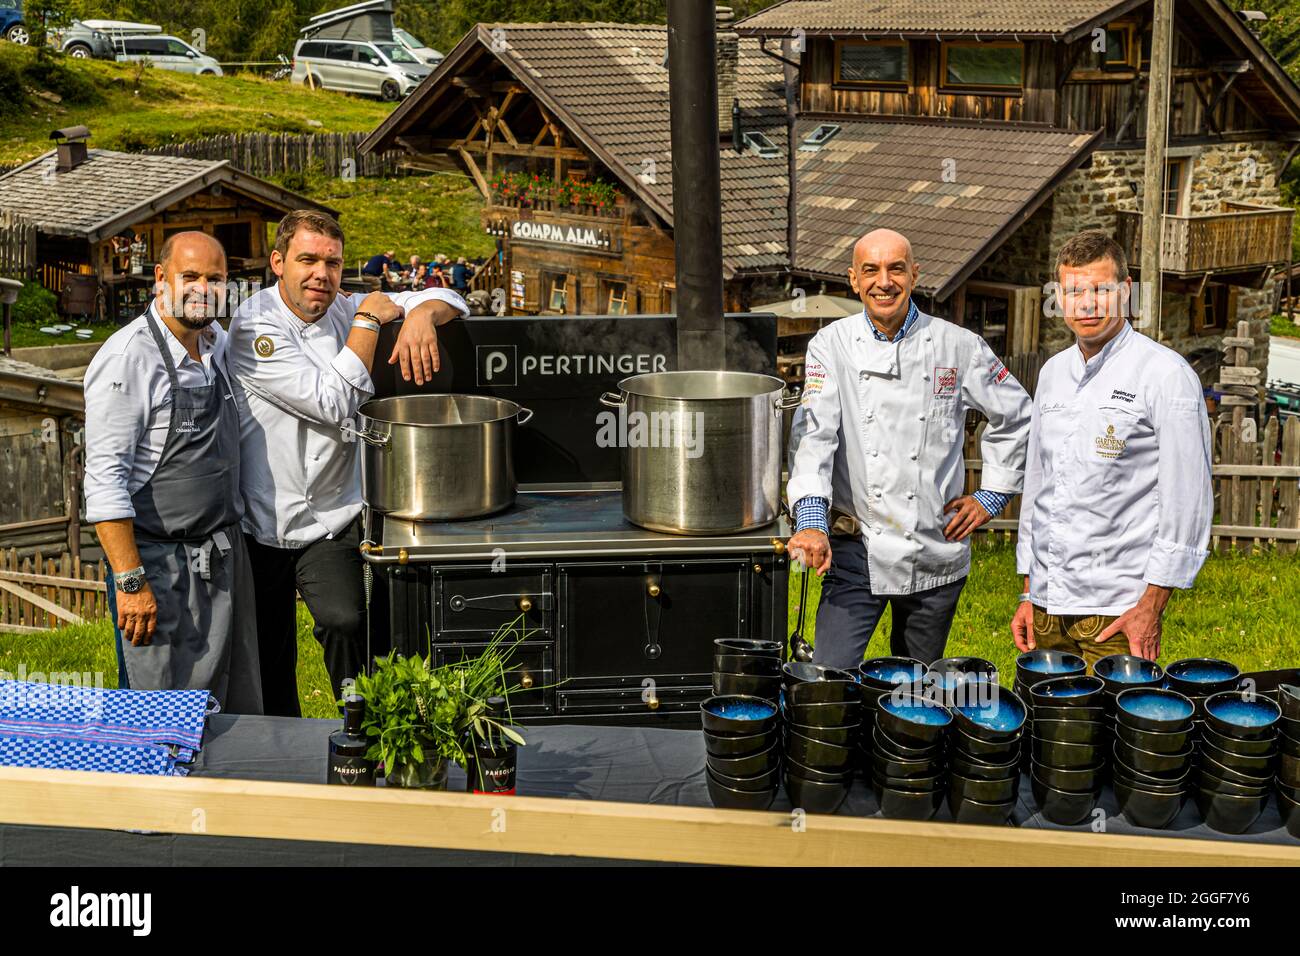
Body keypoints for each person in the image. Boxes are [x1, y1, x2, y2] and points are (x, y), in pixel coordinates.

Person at [228, 210, 469, 717]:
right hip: (261, 518)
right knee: (268, 648)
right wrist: (368, 322)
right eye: (308, 260)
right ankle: (281, 744)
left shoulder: (347, 306)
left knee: (346, 623)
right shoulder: (254, 326)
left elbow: (450, 298)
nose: (322, 273)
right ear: (278, 263)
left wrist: (421, 314)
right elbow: (329, 401)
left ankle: (361, 726)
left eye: (333, 263)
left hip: (330, 519)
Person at [786, 228, 1032, 668]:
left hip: (933, 548)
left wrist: (991, 496)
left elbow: (1017, 415)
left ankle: (903, 736)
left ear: (914, 275)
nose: (884, 281)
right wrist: (811, 523)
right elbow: (814, 435)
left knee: (916, 690)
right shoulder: (830, 345)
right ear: (854, 280)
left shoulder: (959, 346)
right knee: (829, 678)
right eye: (871, 270)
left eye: (896, 268)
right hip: (855, 549)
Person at [1011, 231, 1213, 666]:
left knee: (1115, 729)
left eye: (1100, 290)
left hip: (1118, 608)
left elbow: (1188, 498)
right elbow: (1039, 486)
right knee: (1050, 728)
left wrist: (1151, 605)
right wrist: (1029, 591)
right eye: (1073, 291)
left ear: (1125, 291)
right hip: (1048, 604)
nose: (1086, 304)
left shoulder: (1165, 375)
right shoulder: (1052, 373)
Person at [84, 231, 262, 713]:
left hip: (223, 560)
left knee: (231, 705)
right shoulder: (129, 359)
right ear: (161, 279)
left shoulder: (217, 343)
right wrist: (130, 582)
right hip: (160, 569)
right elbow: (104, 483)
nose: (203, 289)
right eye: (190, 277)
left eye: (216, 279)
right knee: (157, 716)